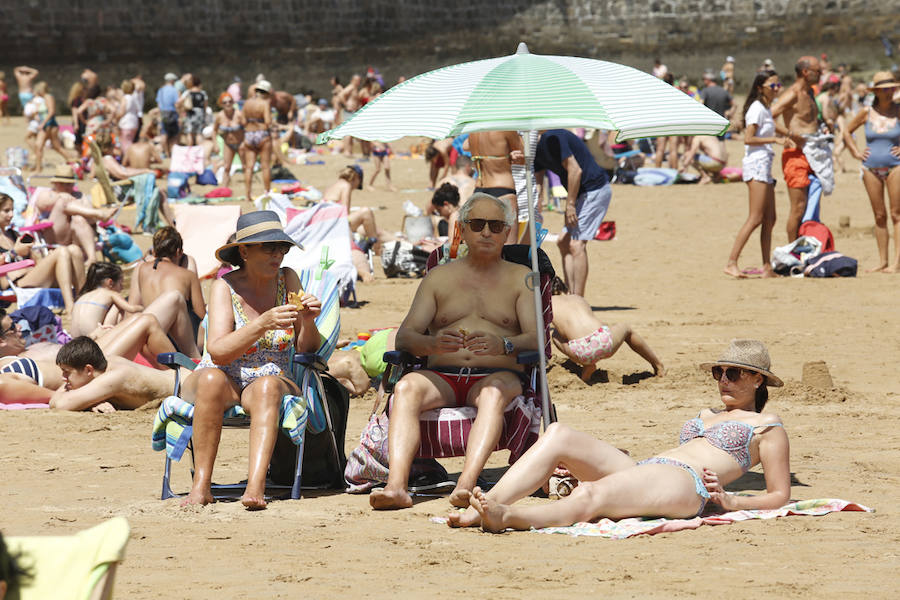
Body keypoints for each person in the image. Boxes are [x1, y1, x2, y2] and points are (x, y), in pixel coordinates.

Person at [449, 339, 790, 532]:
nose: (723, 380)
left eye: (733, 373)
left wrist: (733, 502)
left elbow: (778, 494)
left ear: (758, 380)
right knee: (558, 434)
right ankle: (479, 510)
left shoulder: (767, 427)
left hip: (688, 485)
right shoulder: (707, 414)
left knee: (592, 494)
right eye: (719, 372)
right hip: (652, 469)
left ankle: (509, 517)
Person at [369, 193, 538, 511]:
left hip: (497, 375)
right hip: (441, 376)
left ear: (506, 232)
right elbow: (406, 336)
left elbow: (536, 339)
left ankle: (465, 484)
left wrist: (505, 344)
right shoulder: (439, 278)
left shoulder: (521, 279)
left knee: (491, 394)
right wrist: (431, 345)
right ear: (462, 230)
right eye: (477, 224)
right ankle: (397, 487)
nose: (486, 232)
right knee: (405, 387)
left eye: (495, 225)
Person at [179, 211, 322, 509]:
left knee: (268, 386)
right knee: (208, 379)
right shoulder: (224, 287)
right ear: (244, 251)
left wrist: (307, 321)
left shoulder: (288, 279)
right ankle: (201, 487)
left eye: (282, 248)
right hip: (226, 376)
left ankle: (255, 489)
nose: (278, 255)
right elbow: (217, 350)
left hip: (271, 378)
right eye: (269, 248)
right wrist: (261, 324)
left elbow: (308, 349)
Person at [725, 70, 790, 279]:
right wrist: (775, 140)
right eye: (773, 86)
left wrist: (793, 135)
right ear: (760, 87)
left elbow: (773, 128)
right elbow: (748, 138)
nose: (777, 89)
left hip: (765, 165)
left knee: (770, 218)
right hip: (756, 165)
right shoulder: (756, 108)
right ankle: (731, 262)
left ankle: (766, 267)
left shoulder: (765, 108)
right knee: (755, 218)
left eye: (778, 85)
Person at [533, 129, 612, 297]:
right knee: (563, 242)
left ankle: (579, 299)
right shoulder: (534, 149)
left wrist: (570, 205)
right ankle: (570, 294)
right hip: (580, 195)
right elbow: (538, 181)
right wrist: (536, 206)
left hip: (594, 190)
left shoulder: (553, 138)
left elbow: (575, 171)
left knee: (576, 245)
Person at [549, 277, 664, 381]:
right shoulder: (576, 298)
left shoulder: (549, 304)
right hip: (603, 340)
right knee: (627, 329)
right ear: (566, 290)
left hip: (581, 351)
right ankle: (657, 365)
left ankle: (587, 366)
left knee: (555, 335)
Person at [841, 72, 900, 272]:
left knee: (896, 214)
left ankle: (897, 262)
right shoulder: (866, 112)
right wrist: (856, 152)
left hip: (896, 166)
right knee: (879, 215)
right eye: (886, 89)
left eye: (893, 88)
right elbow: (846, 131)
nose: (891, 92)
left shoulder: (899, 110)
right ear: (876, 91)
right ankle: (882, 261)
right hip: (870, 168)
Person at [772, 56, 832, 242]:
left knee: (812, 205)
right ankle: (792, 251)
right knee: (798, 207)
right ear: (805, 72)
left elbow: (809, 120)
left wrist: (823, 125)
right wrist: (789, 135)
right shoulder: (793, 93)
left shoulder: (811, 93)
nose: (821, 74)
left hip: (815, 151)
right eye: (817, 71)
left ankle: (807, 244)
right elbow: (768, 116)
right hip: (796, 154)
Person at [49, 336, 192, 412]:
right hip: (184, 379)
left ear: (88, 370)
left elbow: (61, 404)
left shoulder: (115, 377)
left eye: (67, 372)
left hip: (190, 388)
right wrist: (93, 401)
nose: (63, 378)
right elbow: (54, 401)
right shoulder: (106, 364)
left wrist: (88, 401)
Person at [0, 192, 86, 313]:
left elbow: (36, 261)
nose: (11, 215)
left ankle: (84, 299)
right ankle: (70, 306)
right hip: (16, 282)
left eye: (12, 210)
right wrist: (14, 252)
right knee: (61, 251)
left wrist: (48, 259)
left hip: (32, 275)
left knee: (74, 250)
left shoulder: (14, 235)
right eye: (6, 211)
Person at [128, 227, 205, 357]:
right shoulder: (187, 275)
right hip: (179, 341)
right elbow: (201, 314)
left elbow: (131, 308)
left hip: (149, 336)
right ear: (178, 252)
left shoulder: (142, 269)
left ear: (154, 251)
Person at [30, 165, 116, 269]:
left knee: (79, 219)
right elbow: (42, 204)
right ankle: (100, 213)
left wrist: (76, 207)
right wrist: (60, 197)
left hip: (76, 238)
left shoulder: (79, 195)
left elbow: (92, 220)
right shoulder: (47, 193)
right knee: (62, 203)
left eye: (69, 184)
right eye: (63, 184)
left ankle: (92, 259)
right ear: (55, 183)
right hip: (54, 236)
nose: (67, 187)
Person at [463, 131, 524, 243]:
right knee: (509, 248)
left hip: (479, 190)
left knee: (479, 246)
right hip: (503, 188)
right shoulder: (505, 128)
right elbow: (522, 157)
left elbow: (465, 146)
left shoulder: (474, 132)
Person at [69, 262, 143, 337]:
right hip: (93, 340)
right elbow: (131, 309)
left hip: (74, 340)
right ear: (110, 283)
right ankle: (111, 335)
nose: (122, 288)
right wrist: (145, 306)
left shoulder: (83, 296)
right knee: (117, 306)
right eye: (120, 283)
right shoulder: (111, 293)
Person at [31, 82, 76, 172]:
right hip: (48, 125)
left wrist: (43, 123)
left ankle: (38, 168)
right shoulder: (44, 99)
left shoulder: (48, 97)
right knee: (57, 147)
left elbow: (51, 111)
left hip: (49, 125)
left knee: (39, 145)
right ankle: (74, 162)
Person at [241, 79, 274, 200]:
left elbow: (243, 121)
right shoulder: (264, 103)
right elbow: (268, 121)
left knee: (249, 167)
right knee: (265, 166)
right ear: (266, 92)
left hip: (249, 134)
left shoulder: (247, 103)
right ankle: (267, 193)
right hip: (262, 134)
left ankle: (247, 194)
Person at [212, 92, 244, 188]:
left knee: (246, 167)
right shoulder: (219, 116)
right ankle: (224, 188)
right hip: (228, 144)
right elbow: (214, 131)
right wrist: (215, 144)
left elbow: (247, 128)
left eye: (230, 102)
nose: (228, 104)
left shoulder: (238, 114)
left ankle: (248, 190)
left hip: (240, 143)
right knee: (226, 167)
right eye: (225, 102)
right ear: (221, 104)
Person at [176, 75, 208, 147]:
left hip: (190, 114)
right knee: (199, 134)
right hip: (200, 114)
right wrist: (204, 116)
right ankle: (199, 151)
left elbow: (179, 102)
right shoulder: (203, 93)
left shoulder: (188, 92)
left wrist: (181, 109)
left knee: (189, 133)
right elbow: (205, 106)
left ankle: (190, 151)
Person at [155, 73, 180, 157]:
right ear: (172, 80)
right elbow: (176, 104)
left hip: (163, 114)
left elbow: (159, 105)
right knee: (174, 135)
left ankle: (166, 152)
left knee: (164, 134)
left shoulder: (161, 90)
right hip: (172, 114)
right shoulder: (174, 90)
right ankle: (173, 153)